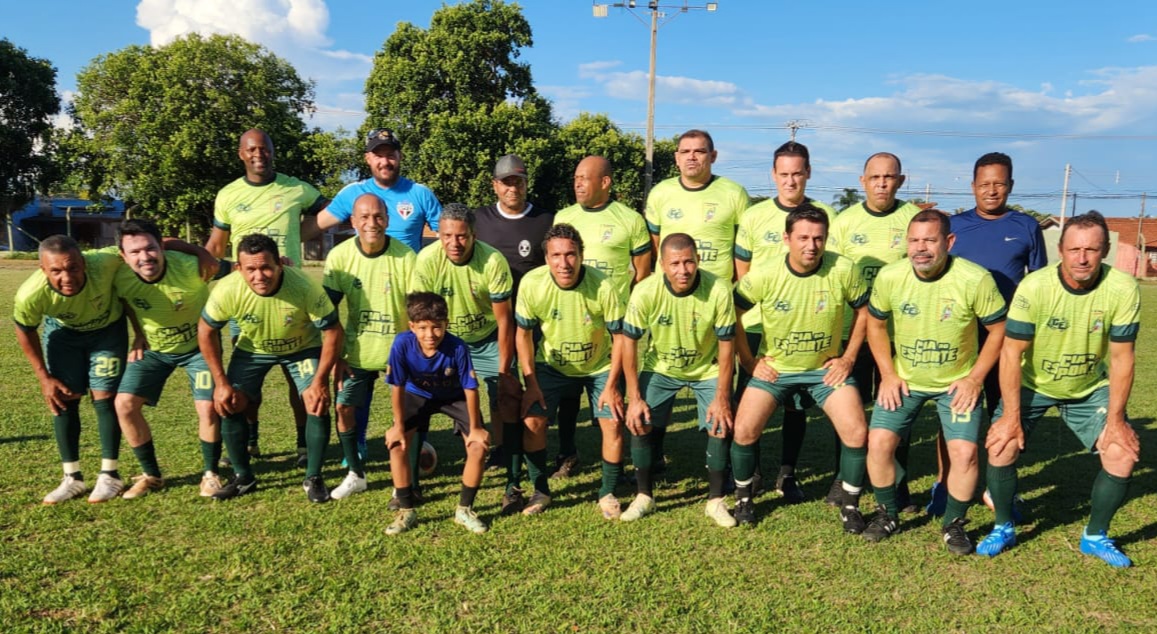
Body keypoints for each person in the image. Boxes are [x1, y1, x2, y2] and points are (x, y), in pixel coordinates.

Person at [977, 211, 1141, 568]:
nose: (1082, 258)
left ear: (1106, 250)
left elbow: (1122, 359)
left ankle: (1095, 535)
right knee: (1001, 445)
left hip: (1087, 386)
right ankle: (1004, 525)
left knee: (1121, 453)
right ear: (1061, 251)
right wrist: (1011, 417)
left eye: (1092, 250)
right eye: (1074, 249)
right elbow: (1011, 353)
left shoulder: (1122, 288)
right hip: (1032, 382)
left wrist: (1116, 420)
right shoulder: (1035, 286)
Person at [861, 210, 1007, 554]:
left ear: (949, 242)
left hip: (955, 383)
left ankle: (953, 524)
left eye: (929, 240)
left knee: (965, 453)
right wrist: (888, 374)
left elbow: (999, 330)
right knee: (879, 443)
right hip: (906, 382)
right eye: (914, 240)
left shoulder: (975, 279)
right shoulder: (890, 276)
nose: (920, 248)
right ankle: (888, 513)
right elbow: (876, 324)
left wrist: (974, 379)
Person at [729, 205, 870, 533]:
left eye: (819, 238)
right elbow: (732, 312)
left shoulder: (843, 269)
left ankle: (850, 505)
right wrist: (750, 362)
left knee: (857, 431)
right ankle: (744, 499)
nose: (811, 245)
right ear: (786, 239)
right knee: (745, 429)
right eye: (803, 237)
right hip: (776, 370)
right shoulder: (765, 273)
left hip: (824, 372)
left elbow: (865, 312)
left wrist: (848, 358)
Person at [926, 152, 1049, 516]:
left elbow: (1038, 282)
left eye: (999, 183)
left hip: (1009, 337)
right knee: (954, 410)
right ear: (973, 186)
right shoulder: (955, 226)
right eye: (984, 184)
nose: (992, 190)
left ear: (1010, 185)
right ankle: (943, 483)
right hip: (961, 335)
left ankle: (999, 489)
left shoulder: (1026, 226)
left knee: (1005, 411)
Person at [206, 128, 329, 465]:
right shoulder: (228, 194)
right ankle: (251, 440)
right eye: (252, 149)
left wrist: (297, 233)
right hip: (245, 298)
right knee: (248, 381)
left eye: (265, 148)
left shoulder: (296, 188)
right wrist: (208, 269)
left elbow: (329, 214)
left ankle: (304, 444)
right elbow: (216, 245)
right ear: (241, 153)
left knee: (297, 378)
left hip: (291, 293)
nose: (259, 154)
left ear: (274, 152)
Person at [198, 234, 343, 502]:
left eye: (266, 267)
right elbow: (206, 331)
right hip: (253, 350)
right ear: (239, 268)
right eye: (250, 269)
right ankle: (243, 477)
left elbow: (333, 331)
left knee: (317, 402)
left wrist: (320, 381)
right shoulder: (227, 288)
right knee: (229, 401)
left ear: (280, 265)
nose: (259, 275)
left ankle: (313, 477)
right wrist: (221, 383)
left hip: (301, 348)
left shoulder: (303, 286)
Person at [733, 141, 838, 504]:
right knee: (749, 400)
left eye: (797, 173)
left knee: (796, 405)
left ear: (808, 173)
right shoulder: (754, 216)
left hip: (805, 327)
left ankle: (787, 473)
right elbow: (742, 272)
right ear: (773, 175)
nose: (791, 181)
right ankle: (753, 472)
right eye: (784, 174)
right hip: (761, 325)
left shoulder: (826, 213)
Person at [642, 129, 748, 472]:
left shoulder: (733, 193)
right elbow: (657, 247)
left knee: (718, 373)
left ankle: (723, 461)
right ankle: (654, 453)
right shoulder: (661, 193)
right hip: (670, 300)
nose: (692, 157)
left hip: (716, 299)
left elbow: (742, 250)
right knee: (664, 368)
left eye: (699, 151)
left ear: (712, 156)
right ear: (675, 157)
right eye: (685, 151)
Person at [827, 151, 923, 511]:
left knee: (898, 407)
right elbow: (835, 276)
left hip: (900, 334)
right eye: (875, 177)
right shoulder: (845, 221)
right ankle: (844, 478)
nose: (882, 183)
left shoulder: (913, 219)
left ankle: (898, 481)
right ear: (862, 181)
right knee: (849, 407)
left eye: (889, 177)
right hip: (853, 331)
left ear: (901, 180)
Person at [622, 233, 737, 525]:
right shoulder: (645, 291)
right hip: (661, 367)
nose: (682, 270)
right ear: (662, 264)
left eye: (688, 262)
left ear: (698, 259)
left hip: (706, 368)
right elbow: (629, 344)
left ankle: (715, 501)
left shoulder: (719, 289)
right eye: (674, 263)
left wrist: (722, 398)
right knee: (640, 420)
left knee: (720, 424)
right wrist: (634, 398)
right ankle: (644, 496)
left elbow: (727, 349)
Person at [112, 219, 230, 499]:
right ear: (123, 256)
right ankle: (151, 475)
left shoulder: (193, 267)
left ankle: (211, 474)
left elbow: (238, 269)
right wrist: (139, 333)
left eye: (150, 248)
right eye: (135, 252)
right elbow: (127, 303)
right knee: (124, 405)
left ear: (161, 247)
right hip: (154, 350)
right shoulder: (119, 277)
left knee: (207, 408)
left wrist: (201, 252)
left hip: (199, 350)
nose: (144, 257)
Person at [517, 224, 628, 519]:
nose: (563, 263)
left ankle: (607, 491)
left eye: (571, 254)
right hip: (551, 367)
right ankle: (540, 490)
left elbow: (620, 338)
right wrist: (530, 382)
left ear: (581, 255)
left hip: (599, 366)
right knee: (532, 422)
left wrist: (612, 385)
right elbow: (523, 335)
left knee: (613, 422)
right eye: (556, 255)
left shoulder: (604, 286)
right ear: (546, 258)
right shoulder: (532, 284)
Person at [552, 156, 651, 479]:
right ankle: (567, 454)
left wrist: (624, 312)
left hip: (613, 326)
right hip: (570, 321)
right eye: (576, 177)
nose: (578, 183)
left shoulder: (630, 219)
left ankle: (615, 462)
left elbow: (642, 272)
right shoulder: (564, 216)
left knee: (612, 395)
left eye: (585, 177)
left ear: (605, 182)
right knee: (569, 396)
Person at [471, 154, 561, 505]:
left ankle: (552, 452)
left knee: (534, 388)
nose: (513, 187)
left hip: (533, 321)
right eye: (506, 181)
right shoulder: (480, 218)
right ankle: (502, 449)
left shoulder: (544, 219)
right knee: (501, 388)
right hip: (492, 322)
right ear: (495, 185)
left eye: (519, 180)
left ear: (526, 183)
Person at [14, 236, 131, 504]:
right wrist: (43, 377)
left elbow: (147, 242)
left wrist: (197, 250)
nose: (66, 277)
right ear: (43, 269)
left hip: (107, 333)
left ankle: (110, 474)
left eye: (73, 268)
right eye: (56, 270)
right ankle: (72, 478)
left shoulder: (104, 260)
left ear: (84, 263)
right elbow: (25, 330)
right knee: (63, 399)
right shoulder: (29, 294)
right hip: (64, 337)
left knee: (105, 399)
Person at [322, 194, 416, 499]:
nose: (371, 223)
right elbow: (329, 314)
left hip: (397, 353)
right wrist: (337, 356)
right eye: (364, 217)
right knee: (344, 406)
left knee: (404, 416)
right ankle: (355, 474)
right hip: (356, 353)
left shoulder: (406, 257)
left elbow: (417, 313)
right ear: (353, 222)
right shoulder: (339, 257)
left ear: (388, 220)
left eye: (378, 216)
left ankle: (405, 474)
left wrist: (409, 354)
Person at [383, 292, 491, 535]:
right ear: (411, 326)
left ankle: (464, 510)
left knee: (478, 447)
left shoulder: (458, 347)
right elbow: (397, 386)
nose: (430, 335)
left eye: (437, 327)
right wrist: (398, 425)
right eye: (422, 328)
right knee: (396, 445)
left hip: (454, 396)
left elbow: (470, 388)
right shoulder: (402, 344)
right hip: (417, 395)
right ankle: (406, 510)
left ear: (446, 325)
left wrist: (475, 428)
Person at [315, 128, 441, 254]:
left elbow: (448, 234)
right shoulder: (352, 193)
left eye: (390, 155)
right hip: (366, 272)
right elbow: (314, 226)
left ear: (400, 156)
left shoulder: (421, 193)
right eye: (378, 156)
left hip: (406, 271)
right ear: (368, 159)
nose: (384, 162)